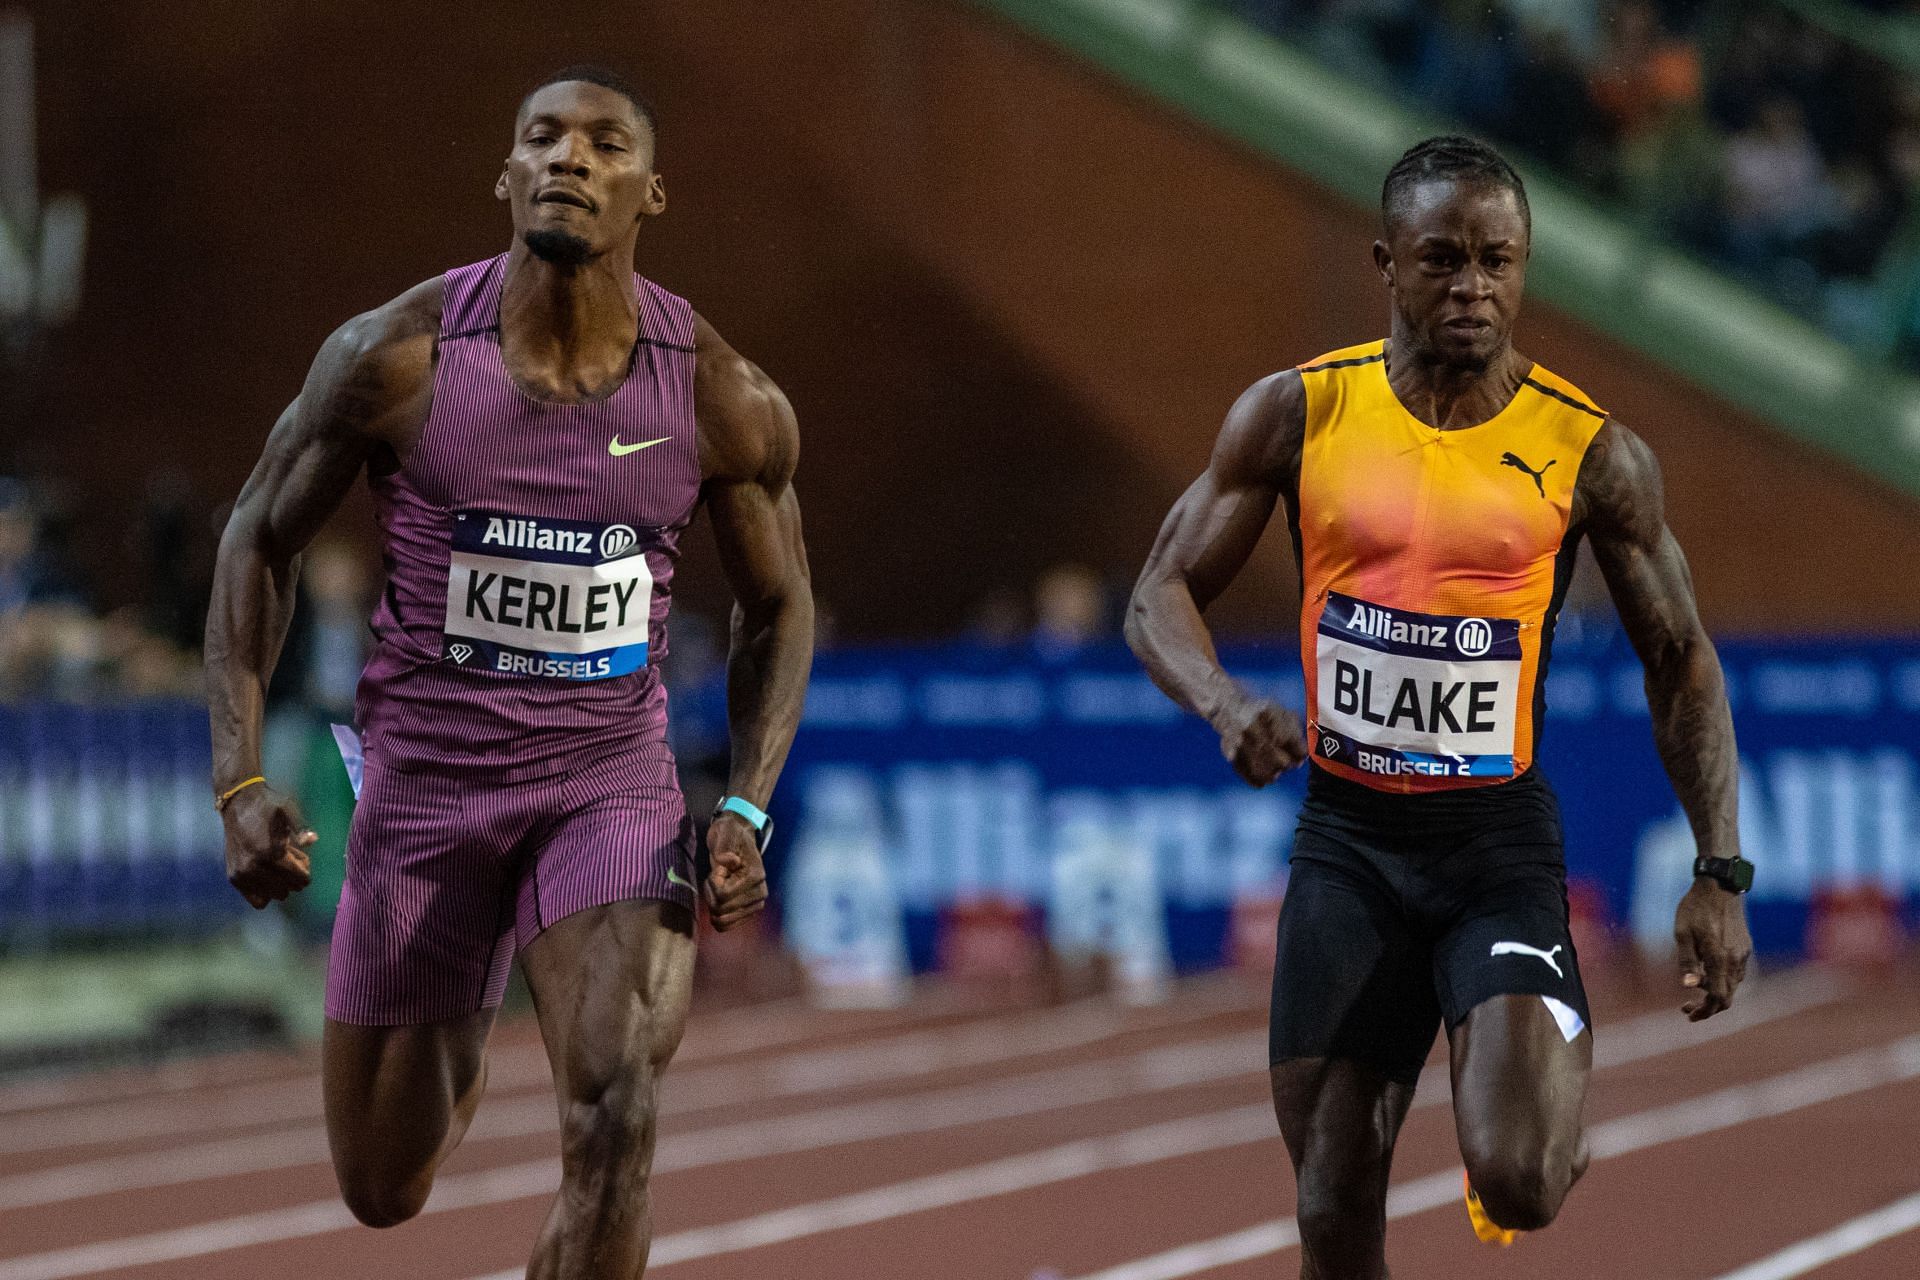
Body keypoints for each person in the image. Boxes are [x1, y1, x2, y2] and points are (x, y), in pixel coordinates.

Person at [203, 66, 814, 1278]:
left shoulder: (718, 395)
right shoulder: (399, 358)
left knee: (616, 1108)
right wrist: (239, 776)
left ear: (651, 192)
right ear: (505, 175)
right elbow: (257, 537)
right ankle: (474, 964)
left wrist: (745, 800)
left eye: (603, 144)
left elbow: (783, 606)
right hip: (429, 788)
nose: (569, 159)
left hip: (608, 783)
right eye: (542, 138)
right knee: (382, 1182)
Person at [1126, 135, 1751, 1274]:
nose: (1472, 287)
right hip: (1349, 846)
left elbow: (1683, 658)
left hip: (1493, 846)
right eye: (1443, 259)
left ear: (1527, 266)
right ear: (1386, 262)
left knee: (1519, 1177)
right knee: (1330, 1198)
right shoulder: (1298, 414)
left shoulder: (1589, 449)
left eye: (1498, 261)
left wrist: (1719, 870)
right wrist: (1222, 704)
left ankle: (1530, 1110)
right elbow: (1156, 592)